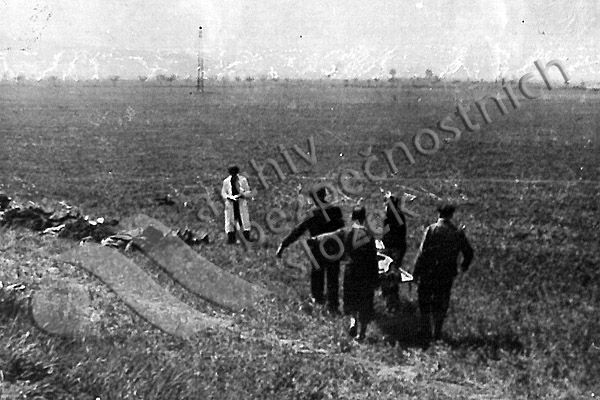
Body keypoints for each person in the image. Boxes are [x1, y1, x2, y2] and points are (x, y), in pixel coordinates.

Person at [310, 206, 379, 341]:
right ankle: (362, 334)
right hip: (365, 272)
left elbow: (329, 236)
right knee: (365, 301)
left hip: (351, 270)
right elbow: (373, 257)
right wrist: (375, 277)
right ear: (364, 219)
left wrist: (314, 239)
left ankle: (353, 321)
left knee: (351, 298)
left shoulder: (346, 232)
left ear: (352, 217)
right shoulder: (369, 236)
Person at [276, 186, 345, 313]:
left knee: (317, 276)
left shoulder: (312, 213)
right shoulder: (336, 210)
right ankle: (333, 306)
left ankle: (318, 302)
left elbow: (298, 231)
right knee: (333, 278)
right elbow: (342, 230)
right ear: (324, 195)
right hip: (334, 248)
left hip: (317, 249)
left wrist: (284, 245)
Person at [413, 203, 474, 343]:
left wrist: (416, 272)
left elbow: (422, 254)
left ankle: (425, 330)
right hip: (446, 273)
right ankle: (437, 333)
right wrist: (463, 266)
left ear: (439, 214)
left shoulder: (431, 230)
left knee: (425, 301)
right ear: (451, 215)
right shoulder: (456, 232)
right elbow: (469, 252)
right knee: (441, 302)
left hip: (429, 272)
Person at [380, 193, 407, 312]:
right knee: (394, 272)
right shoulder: (400, 216)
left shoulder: (387, 217)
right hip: (398, 248)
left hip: (390, 249)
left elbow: (384, 234)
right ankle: (393, 299)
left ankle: (389, 300)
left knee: (387, 273)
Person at [221, 165, 252, 244]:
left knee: (244, 221)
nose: (233, 174)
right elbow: (223, 193)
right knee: (230, 221)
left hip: (240, 203)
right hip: (231, 204)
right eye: (232, 173)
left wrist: (242, 195)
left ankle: (246, 238)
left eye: (234, 173)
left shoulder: (243, 180)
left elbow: (248, 191)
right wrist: (229, 197)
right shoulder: (226, 181)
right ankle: (231, 239)